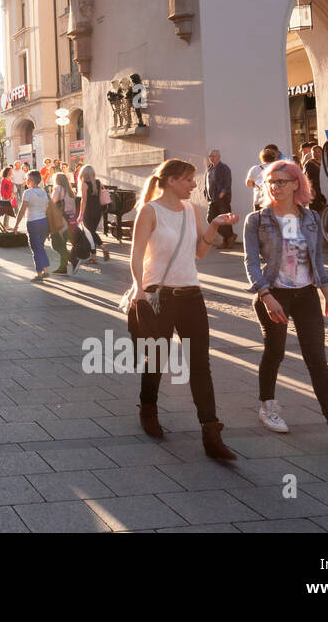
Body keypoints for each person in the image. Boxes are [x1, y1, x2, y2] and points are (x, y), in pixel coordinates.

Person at [243, 161, 328, 452]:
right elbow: (251, 262)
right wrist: (265, 294)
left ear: (297, 184)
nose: (275, 186)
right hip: (273, 294)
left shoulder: (310, 218)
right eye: (271, 182)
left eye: (282, 181)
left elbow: (316, 260)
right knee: (275, 352)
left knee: (317, 360)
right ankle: (267, 405)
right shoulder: (257, 220)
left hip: (306, 295)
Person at [127, 159, 238, 459]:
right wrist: (139, 288)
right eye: (189, 180)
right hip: (158, 295)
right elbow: (136, 255)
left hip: (191, 294)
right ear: (172, 181)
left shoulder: (191, 211)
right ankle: (148, 407)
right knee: (158, 357)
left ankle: (211, 431)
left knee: (199, 363)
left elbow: (200, 253)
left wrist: (215, 225)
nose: (194, 185)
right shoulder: (150, 211)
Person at [18, 170, 51, 281]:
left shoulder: (28, 193)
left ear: (31, 180)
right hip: (44, 222)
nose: (26, 181)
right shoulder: (43, 192)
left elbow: (22, 210)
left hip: (33, 222)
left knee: (36, 249)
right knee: (40, 247)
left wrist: (16, 225)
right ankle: (46, 270)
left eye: (27, 179)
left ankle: (39, 274)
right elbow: (48, 207)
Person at [203, 150, 235, 249]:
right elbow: (207, 182)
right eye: (210, 156)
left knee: (224, 219)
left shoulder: (224, 168)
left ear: (219, 157)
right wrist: (205, 193)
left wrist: (223, 192)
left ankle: (227, 241)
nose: (211, 158)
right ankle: (229, 236)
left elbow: (228, 180)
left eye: (213, 156)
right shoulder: (209, 168)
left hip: (222, 197)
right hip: (212, 198)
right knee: (211, 218)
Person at [77, 164, 110, 261]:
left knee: (90, 233)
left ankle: (103, 248)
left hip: (88, 211)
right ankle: (94, 257)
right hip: (98, 210)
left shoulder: (84, 184)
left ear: (83, 173)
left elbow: (84, 200)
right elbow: (99, 198)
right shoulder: (98, 182)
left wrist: (80, 215)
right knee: (91, 233)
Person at [246, 145, 280, 212]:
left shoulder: (255, 169)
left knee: (259, 221)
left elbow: (248, 183)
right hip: (275, 200)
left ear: (262, 158)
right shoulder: (279, 168)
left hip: (259, 200)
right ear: (274, 158)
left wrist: (256, 184)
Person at [0, 167, 18, 233]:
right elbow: (2, 190)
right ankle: (5, 225)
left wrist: (13, 194)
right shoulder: (4, 179)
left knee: (8, 211)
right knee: (7, 211)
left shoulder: (9, 179)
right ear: (7, 172)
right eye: (10, 171)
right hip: (5, 198)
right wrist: (4, 197)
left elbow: (11, 188)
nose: (11, 172)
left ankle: (6, 225)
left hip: (10, 196)